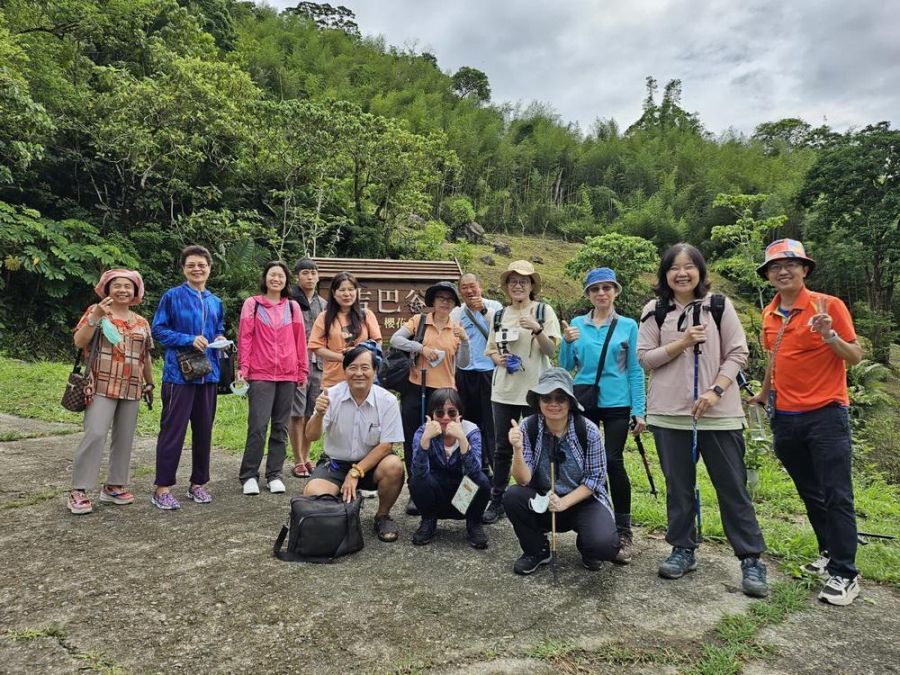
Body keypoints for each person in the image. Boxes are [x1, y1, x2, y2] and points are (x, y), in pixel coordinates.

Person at [637, 243, 768, 598]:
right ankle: (683, 548)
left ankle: (750, 558)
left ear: (700, 271)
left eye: (689, 266)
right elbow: (646, 359)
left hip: (719, 415)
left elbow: (738, 352)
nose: (682, 273)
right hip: (668, 414)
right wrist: (681, 343)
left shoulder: (719, 306)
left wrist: (716, 390)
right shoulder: (655, 310)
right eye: (673, 267)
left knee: (732, 488)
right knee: (678, 488)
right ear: (664, 274)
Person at [749, 239, 864, 606]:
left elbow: (855, 356)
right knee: (810, 491)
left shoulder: (829, 306)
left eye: (790, 264)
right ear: (768, 275)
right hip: (785, 417)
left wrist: (829, 335)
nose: (783, 271)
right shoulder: (769, 314)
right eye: (775, 267)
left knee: (837, 493)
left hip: (826, 414)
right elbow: (775, 358)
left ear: (804, 269)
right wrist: (764, 393)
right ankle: (828, 553)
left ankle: (846, 573)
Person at [559, 267, 646, 563]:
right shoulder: (576, 325)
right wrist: (567, 342)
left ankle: (623, 530)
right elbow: (566, 366)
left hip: (617, 401)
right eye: (595, 289)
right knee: (586, 464)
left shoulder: (628, 326)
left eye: (607, 288)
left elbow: (635, 369)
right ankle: (598, 527)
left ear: (615, 291)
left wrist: (639, 409)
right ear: (587, 294)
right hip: (584, 400)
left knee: (612, 460)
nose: (601, 293)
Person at [503, 368, 619, 575]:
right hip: (544, 499)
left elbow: (595, 479)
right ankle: (536, 549)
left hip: (582, 500)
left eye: (560, 398)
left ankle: (588, 547)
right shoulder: (528, 427)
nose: (553, 404)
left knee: (604, 546)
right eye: (547, 398)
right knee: (513, 496)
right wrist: (517, 449)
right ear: (538, 401)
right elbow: (523, 479)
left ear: (570, 402)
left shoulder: (588, 430)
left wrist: (564, 502)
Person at [67, 269, 154, 514]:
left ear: (135, 292)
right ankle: (78, 489)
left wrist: (149, 383)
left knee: (124, 438)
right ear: (107, 289)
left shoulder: (140, 322)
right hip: (101, 385)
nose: (123, 290)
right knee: (95, 433)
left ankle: (114, 486)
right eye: (117, 285)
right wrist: (95, 315)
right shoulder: (97, 313)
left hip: (132, 386)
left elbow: (144, 356)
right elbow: (79, 341)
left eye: (128, 286)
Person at [483, 260, 561, 524]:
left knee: (537, 445)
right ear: (506, 287)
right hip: (503, 390)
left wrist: (537, 329)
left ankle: (537, 495)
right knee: (502, 447)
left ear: (531, 286)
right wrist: (498, 360)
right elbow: (491, 349)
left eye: (523, 282)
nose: (518, 286)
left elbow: (551, 351)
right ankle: (497, 499)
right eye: (513, 281)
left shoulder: (542, 311)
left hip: (535, 391)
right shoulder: (498, 315)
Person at [304, 345, 406, 542]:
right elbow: (311, 436)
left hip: (372, 464)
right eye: (352, 367)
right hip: (336, 463)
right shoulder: (331, 396)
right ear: (344, 370)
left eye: (365, 367)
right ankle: (343, 513)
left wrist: (356, 471)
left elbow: (386, 446)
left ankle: (382, 515)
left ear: (375, 371)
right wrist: (318, 414)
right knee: (313, 494)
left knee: (394, 466)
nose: (359, 373)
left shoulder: (388, 401)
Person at [151, 245, 226, 510]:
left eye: (202, 265)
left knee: (204, 430)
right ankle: (162, 488)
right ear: (184, 268)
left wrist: (219, 338)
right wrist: (187, 339)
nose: (197, 269)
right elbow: (158, 330)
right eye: (191, 264)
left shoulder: (215, 301)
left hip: (208, 374)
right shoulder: (172, 297)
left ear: (209, 268)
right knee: (173, 431)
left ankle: (198, 484)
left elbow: (218, 328)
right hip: (179, 375)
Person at [389, 281, 470, 514]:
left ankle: (444, 489)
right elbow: (396, 339)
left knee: (445, 441)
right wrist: (421, 348)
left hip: (445, 395)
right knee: (414, 440)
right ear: (432, 301)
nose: (444, 302)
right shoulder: (420, 321)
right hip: (417, 389)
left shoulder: (456, 327)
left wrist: (464, 340)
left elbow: (464, 362)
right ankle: (416, 490)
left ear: (454, 304)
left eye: (449, 299)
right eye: (440, 298)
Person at [237, 261, 309, 495]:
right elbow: (245, 338)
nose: (276, 279)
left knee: (281, 427)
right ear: (265, 278)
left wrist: (302, 370)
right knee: (257, 426)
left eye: (280, 275)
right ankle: (249, 475)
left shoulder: (292, 307)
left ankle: (274, 474)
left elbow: (300, 341)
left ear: (286, 280)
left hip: (288, 375)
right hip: (260, 374)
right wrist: (243, 369)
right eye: (272, 275)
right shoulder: (253, 305)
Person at [409, 388, 490, 549]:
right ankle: (428, 521)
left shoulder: (471, 431)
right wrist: (425, 440)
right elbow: (418, 473)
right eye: (440, 413)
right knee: (416, 481)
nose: (445, 418)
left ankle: (474, 523)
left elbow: (474, 472)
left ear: (460, 414)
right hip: (435, 497)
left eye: (451, 413)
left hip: (462, 500)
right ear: (432, 414)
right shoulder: (423, 431)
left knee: (482, 480)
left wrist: (461, 439)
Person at [450, 273, 503, 478]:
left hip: (489, 372)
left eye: (473, 286)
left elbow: (500, 333)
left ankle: (495, 473)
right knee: (469, 423)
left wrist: (483, 311)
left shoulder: (495, 307)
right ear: (460, 291)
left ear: (480, 286)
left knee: (491, 424)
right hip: (464, 373)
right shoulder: (457, 312)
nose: (469, 291)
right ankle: (475, 469)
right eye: (464, 288)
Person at [308, 271, 382, 388]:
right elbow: (316, 347)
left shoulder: (366, 315)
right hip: (333, 381)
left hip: (362, 379)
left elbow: (377, 343)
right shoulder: (324, 317)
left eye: (351, 289)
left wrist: (359, 354)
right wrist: (343, 358)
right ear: (333, 292)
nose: (347, 294)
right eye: (342, 290)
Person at [288, 258, 327, 478]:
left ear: (318, 276)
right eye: (305, 273)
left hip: (320, 364)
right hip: (296, 364)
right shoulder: (289, 301)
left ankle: (307, 456)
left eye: (313, 273)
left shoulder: (324, 304)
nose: (309, 277)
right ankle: (297, 459)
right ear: (297, 276)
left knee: (314, 411)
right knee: (297, 412)